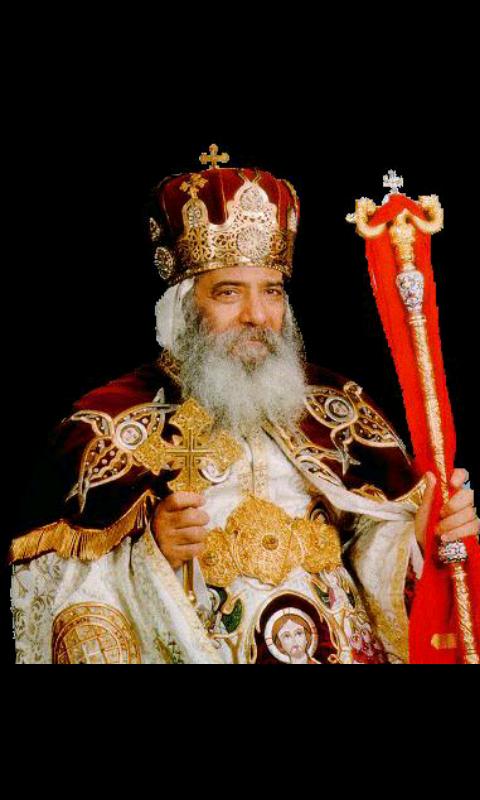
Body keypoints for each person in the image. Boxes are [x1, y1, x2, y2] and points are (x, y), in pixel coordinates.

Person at [9, 148, 479, 664]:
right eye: (229, 293)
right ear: (184, 306)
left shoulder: (334, 407)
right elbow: (56, 597)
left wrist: (418, 535)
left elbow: (375, 555)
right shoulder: (109, 425)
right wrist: (152, 557)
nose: (257, 315)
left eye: (272, 292)